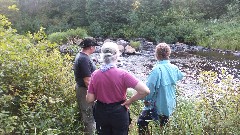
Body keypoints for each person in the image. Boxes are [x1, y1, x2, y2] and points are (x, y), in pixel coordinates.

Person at [86, 42, 150, 135]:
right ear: (116, 56)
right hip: (119, 111)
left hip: (101, 112)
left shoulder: (95, 75)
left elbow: (89, 99)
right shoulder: (123, 74)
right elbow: (145, 91)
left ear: (102, 56)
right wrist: (129, 101)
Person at [137, 43, 184, 134]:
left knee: (141, 122)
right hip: (170, 104)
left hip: (157, 105)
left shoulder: (156, 70)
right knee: (163, 127)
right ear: (168, 54)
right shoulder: (174, 68)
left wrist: (145, 99)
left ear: (157, 55)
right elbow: (180, 76)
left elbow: (149, 89)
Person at [73, 38, 100, 135]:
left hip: (83, 89)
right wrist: (95, 94)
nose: (95, 48)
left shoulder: (82, 56)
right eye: (95, 46)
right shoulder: (83, 59)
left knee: (88, 115)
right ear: (91, 47)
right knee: (88, 116)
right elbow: (87, 80)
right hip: (85, 91)